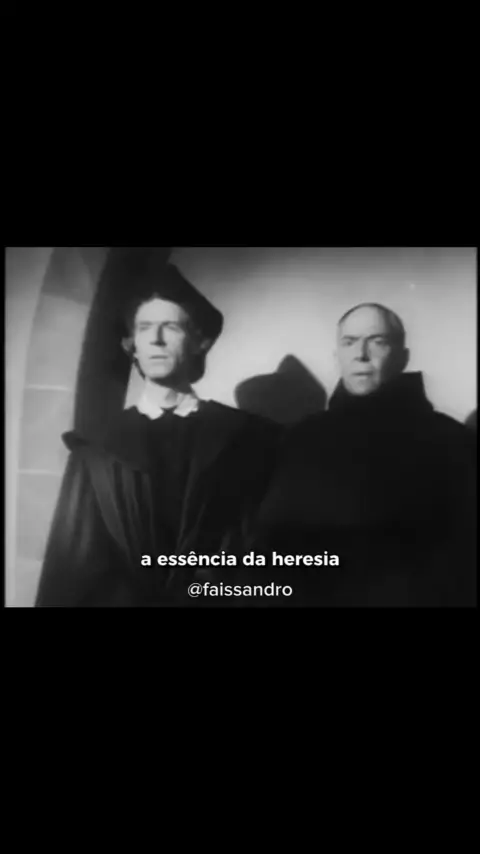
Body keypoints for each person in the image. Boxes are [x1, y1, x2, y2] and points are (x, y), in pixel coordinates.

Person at [35, 254, 280, 607]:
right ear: (131, 345)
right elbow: (74, 560)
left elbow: (259, 551)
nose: (157, 340)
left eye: (172, 327)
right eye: (145, 328)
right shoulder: (97, 445)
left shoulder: (245, 438)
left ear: (199, 341)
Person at [255, 303, 476, 607]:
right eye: (349, 342)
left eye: (377, 341)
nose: (361, 354)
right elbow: (273, 544)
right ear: (337, 356)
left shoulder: (451, 440)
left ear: (402, 357)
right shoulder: (300, 439)